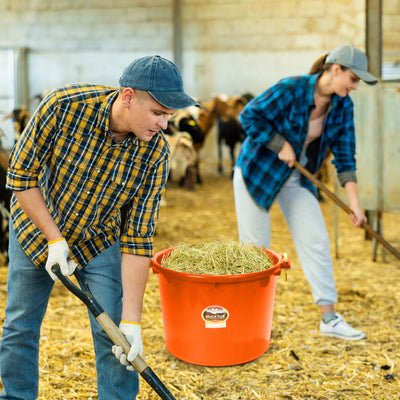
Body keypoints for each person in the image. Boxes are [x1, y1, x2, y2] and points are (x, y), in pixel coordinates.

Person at [0, 55, 199, 399]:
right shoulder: (64, 106)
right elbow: (20, 176)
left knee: (116, 339)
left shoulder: (156, 155)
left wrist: (133, 324)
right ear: (127, 96)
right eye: (157, 113)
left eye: (169, 115)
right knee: (20, 326)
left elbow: (138, 239)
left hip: (98, 238)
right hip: (35, 229)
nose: (165, 125)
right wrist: (55, 240)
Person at [233, 45, 377, 341]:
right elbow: (249, 116)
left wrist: (355, 205)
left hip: (295, 178)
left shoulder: (342, 106)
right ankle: (251, 322)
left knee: (316, 240)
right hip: (257, 173)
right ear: (335, 69)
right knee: (257, 251)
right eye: (352, 79)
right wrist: (279, 145)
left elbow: (346, 157)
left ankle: (329, 318)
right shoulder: (291, 89)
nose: (353, 87)